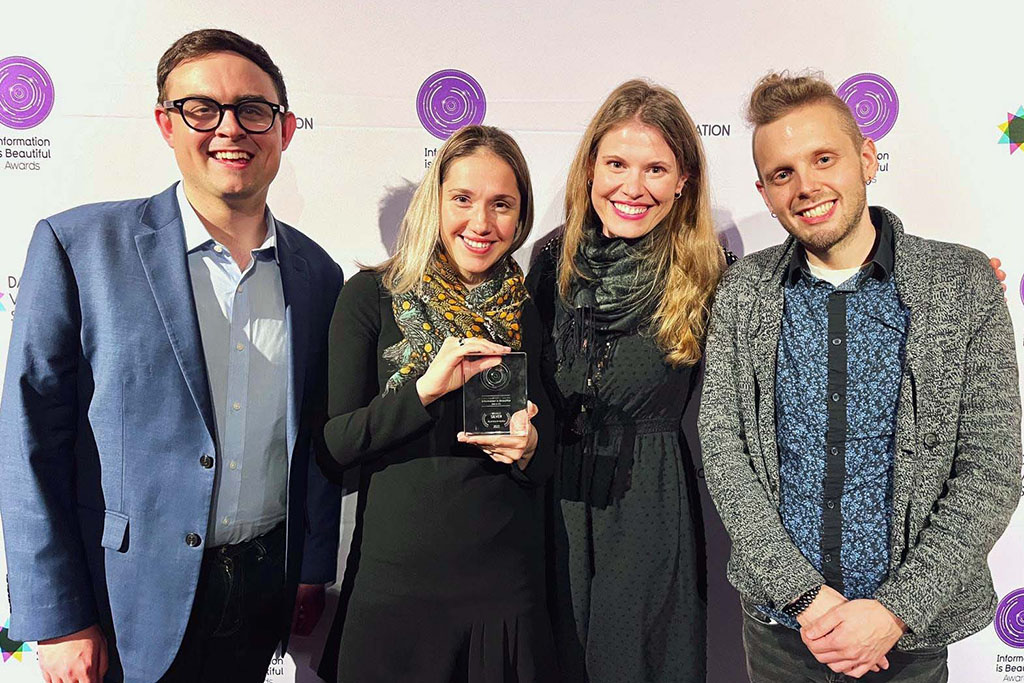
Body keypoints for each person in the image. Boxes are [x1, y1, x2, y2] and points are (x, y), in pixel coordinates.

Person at [0, 29, 343, 683]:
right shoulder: (78, 247)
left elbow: (317, 439)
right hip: (121, 601)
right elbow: (28, 441)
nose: (229, 129)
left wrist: (311, 565)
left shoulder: (318, 274)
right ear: (166, 123)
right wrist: (59, 616)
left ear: (285, 129)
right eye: (201, 109)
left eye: (253, 109)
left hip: (260, 594)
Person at [699, 72, 1021, 682]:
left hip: (909, 638)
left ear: (867, 158)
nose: (806, 186)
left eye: (824, 158)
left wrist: (896, 610)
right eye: (782, 173)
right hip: (780, 633)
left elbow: (993, 466)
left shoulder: (961, 284)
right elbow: (725, 450)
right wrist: (803, 597)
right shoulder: (743, 292)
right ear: (765, 192)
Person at [318, 124, 558, 683]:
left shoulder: (526, 307)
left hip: (505, 588)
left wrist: (529, 446)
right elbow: (334, 448)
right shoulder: (373, 295)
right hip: (396, 588)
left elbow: (548, 461)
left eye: (501, 204)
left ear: (520, 216)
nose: (481, 223)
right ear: (436, 202)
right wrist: (425, 390)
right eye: (463, 199)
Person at [526, 80, 726, 682]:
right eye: (616, 164)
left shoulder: (709, 273)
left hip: (647, 504)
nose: (632, 188)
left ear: (683, 179)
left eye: (655, 169)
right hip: (554, 500)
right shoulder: (552, 260)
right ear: (591, 167)